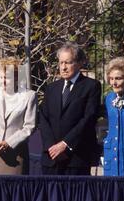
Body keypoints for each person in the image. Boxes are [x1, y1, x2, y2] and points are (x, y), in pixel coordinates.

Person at [39, 43, 101, 175]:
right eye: (61, 63)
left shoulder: (91, 86)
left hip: (77, 158)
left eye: (68, 63)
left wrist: (65, 144)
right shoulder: (51, 88)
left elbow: (88, 118)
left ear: (79, 63)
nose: (63, 67)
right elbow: (43, 118)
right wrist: (51, 146)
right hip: (51, 158)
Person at [0, 57, 37, 175]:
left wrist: (8, 143)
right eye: (1, 77)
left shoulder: (29, 96)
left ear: (16, 77)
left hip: (16, 154)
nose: (3, 81)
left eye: (7, 78)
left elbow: (29, 127)